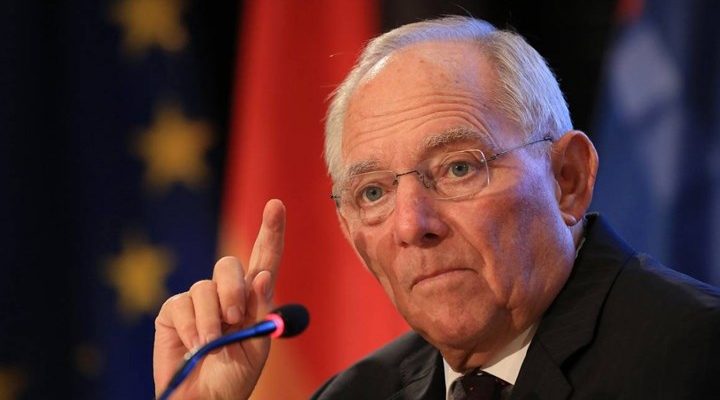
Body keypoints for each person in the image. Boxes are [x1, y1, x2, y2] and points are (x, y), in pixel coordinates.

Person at [153, 16, 720, 399]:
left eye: (458, 168)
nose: (411, 225)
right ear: (350, 232)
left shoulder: (695, 359)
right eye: (373, 192)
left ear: (567, 179)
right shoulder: (358, 395)